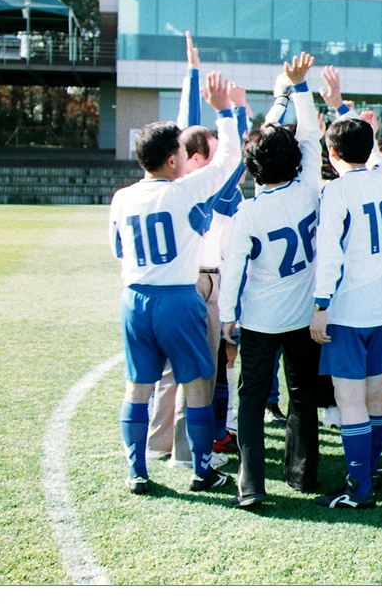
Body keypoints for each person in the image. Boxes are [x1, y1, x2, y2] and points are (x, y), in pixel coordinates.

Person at [109, 70, 241, 495]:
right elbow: (228, 161)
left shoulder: (122, 196)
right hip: (177, 298)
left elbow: (117, 249)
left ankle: (136, 470)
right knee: (197, 385)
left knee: (138, 385)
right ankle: (202, 470)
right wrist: (225, 112)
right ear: (171, 160)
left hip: (135, 297)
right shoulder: (183, 193)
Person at [218, 53, 324, 509]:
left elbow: (233, 273)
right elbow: (313, 137)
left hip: (260, 320)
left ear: (251, 168)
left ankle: (251, 484)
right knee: (301, 397)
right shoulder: (309, 191)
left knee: (251, 401)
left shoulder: (248, 213)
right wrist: (299, 87)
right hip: (303, 316)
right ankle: (302, 475)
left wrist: (226, 321)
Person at [146, 32, 244, 469]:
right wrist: (228, 108)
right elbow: (223, 151)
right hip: (198, 283)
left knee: (179, 374)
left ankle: (162, 445)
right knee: (195, 375)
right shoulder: (197, 186)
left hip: (179, 283)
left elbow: (211, 144)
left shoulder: (180, 186)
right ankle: (184, 452)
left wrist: (194, 74)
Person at [308, 112, 382, 509]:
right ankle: (370, 472)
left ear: (331, 153)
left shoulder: (337, 191)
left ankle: (360, 487)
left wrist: (320, 306)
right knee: (374, 396)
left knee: (349, 401)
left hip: (349, 310)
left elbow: (329, 256)